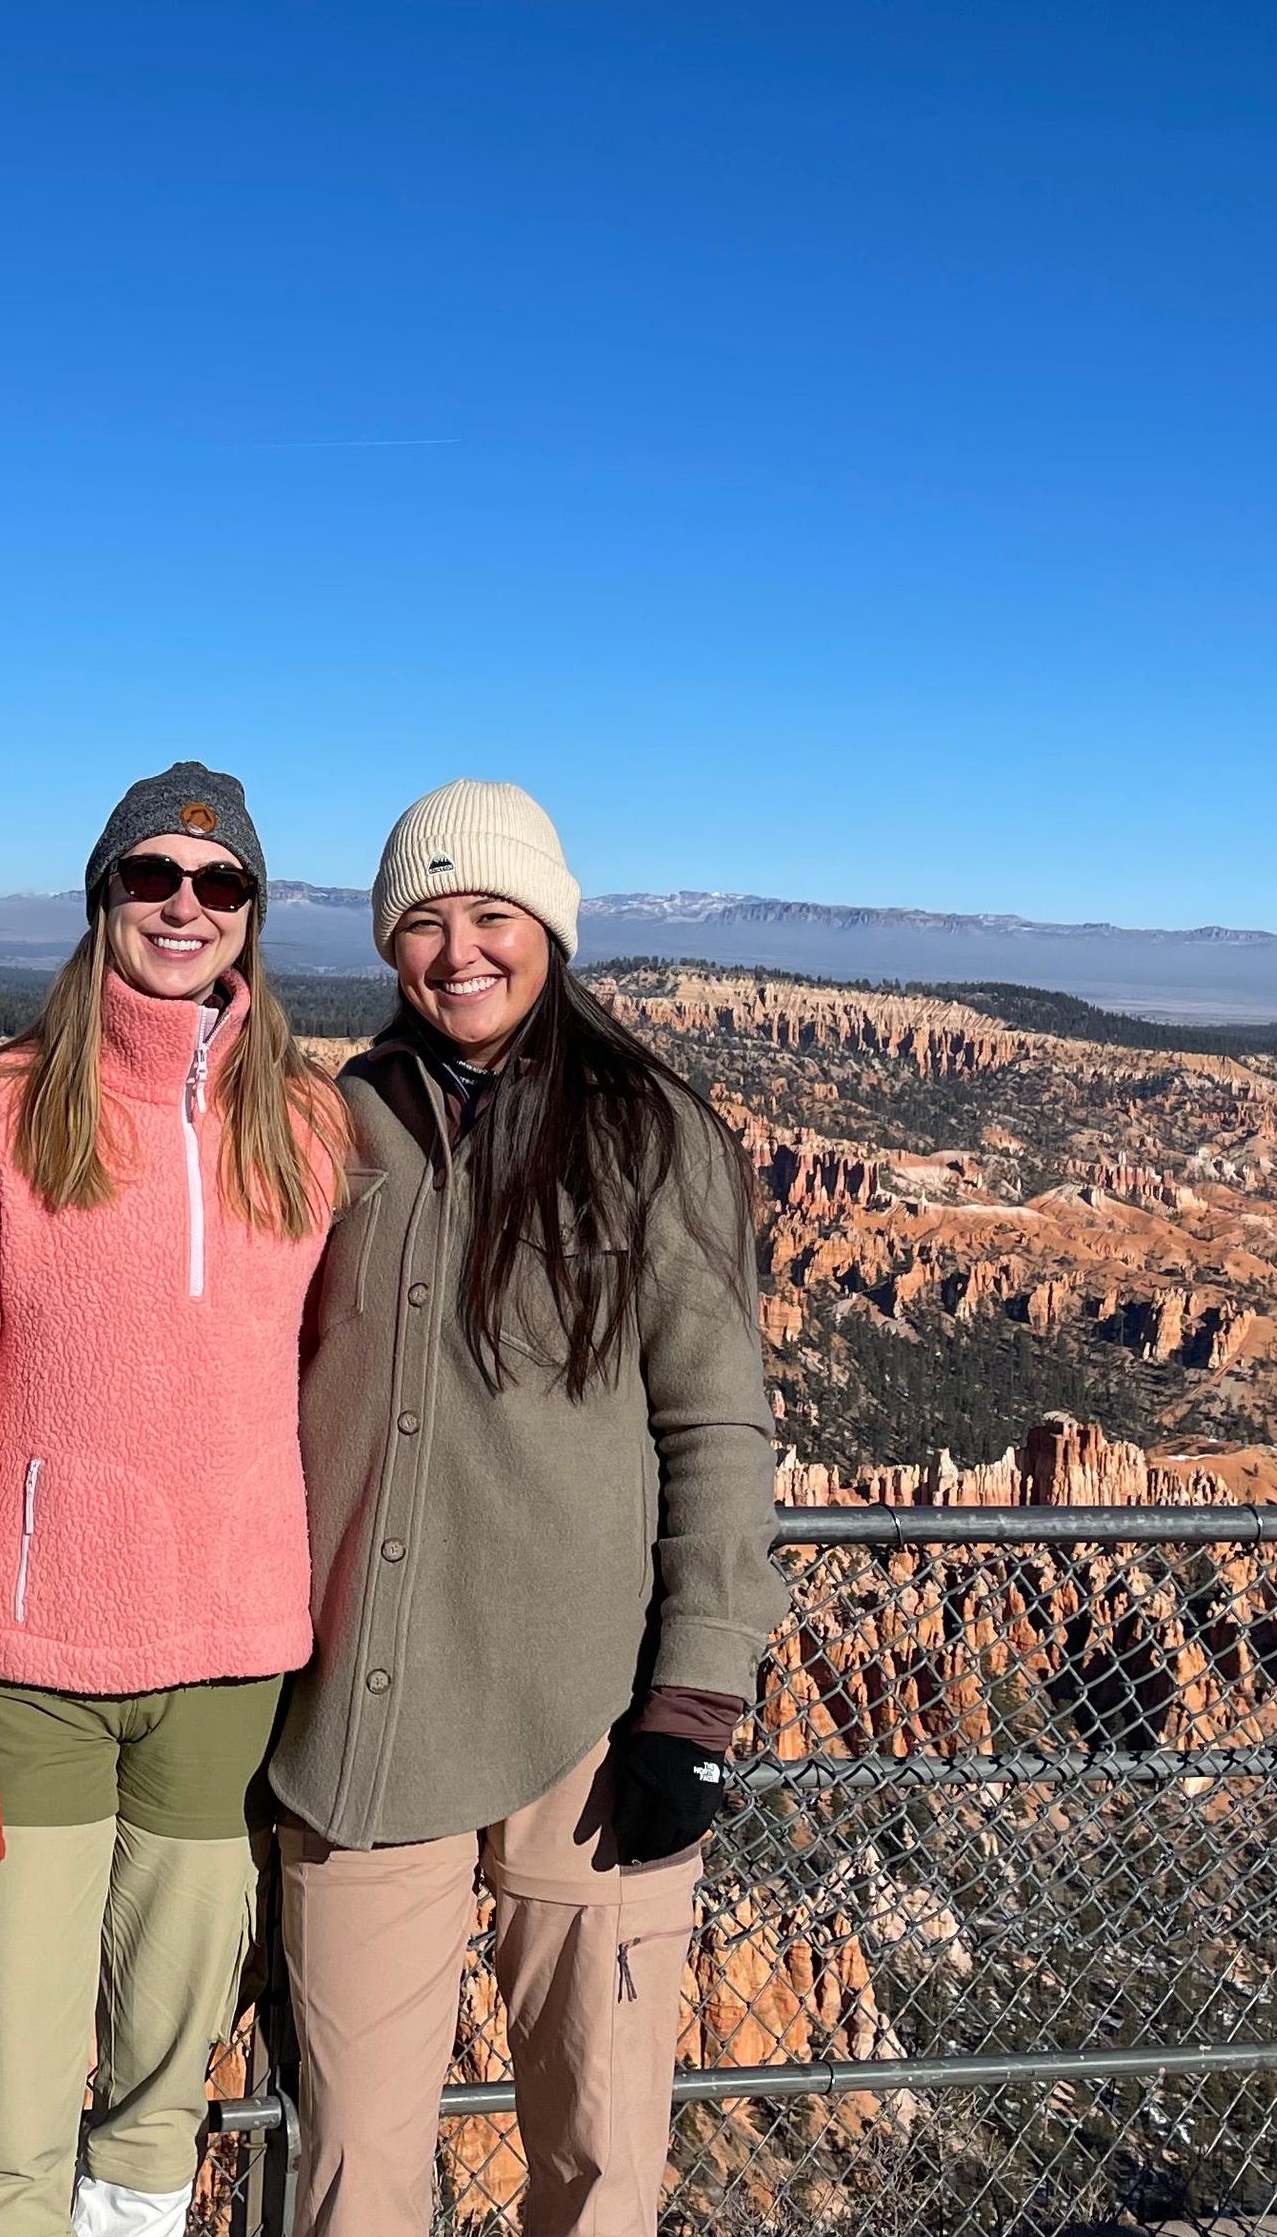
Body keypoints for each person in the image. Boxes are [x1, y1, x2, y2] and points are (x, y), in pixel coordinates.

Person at [269, 779, 786, 2237]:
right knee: (354, 2174)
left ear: (549, 928)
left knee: (600, 2160)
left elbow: (716, 1426)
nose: (458, 952)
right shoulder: (336, 1122)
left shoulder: (649, 1132)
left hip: (591, 1719)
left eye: (490, 915)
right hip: (366, 1722)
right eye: (423, 924)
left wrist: (696, 1693)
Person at [0, 761, 349, 2237]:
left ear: (256, 917)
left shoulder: (313, 1129)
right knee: (10, 2102)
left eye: (220, 885)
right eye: (152, 878)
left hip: (228, 1673)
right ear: (102, 899)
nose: (184, 906)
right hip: (33, 1683)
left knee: (158, 2103)